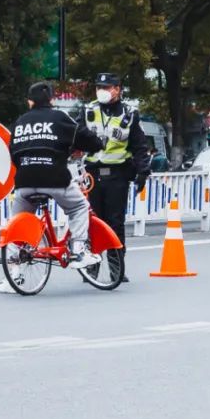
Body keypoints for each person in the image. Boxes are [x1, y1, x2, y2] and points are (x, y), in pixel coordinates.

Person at [0, 81, 102, 290]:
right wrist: (95, 145)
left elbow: (13, 153)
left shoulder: (19, 122)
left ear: (29, 102)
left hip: (24, 182)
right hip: (54, 178)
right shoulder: (60, 118)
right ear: (52, 100)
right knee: (79, 207)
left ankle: (12, 274)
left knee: (17, 223)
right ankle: (79, 251)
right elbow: (84, 138)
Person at [83, 72, 151, 282]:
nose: (102, 91)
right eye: (99, 87)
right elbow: (75, 138)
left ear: (117, 89)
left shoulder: (130, 113)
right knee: (92, 222)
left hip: (117, 175)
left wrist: (142, 172)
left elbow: (139, 146)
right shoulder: (88, 110)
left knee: (115, 223)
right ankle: (91, 268)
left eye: (107, 87)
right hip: (92, 176)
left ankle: (116, 269)